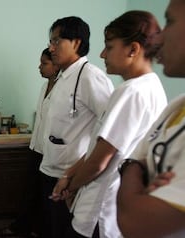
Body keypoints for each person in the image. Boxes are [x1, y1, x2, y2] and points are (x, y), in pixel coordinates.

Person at [51, 11, 167, 238]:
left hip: (100, 207)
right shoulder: (152, 87)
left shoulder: (131, 92)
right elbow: (101, 146)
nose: (102, 54)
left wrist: (71, 187)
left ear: (133, 49)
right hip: (115, 202)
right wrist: (70, 174)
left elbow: (99, 161)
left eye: (109, 46)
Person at [39, 16, 114, 237]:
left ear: (76, 43)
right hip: (51, 168)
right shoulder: (62, 76)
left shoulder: (91, 77)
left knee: (65, 229)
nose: (51, 47)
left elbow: (108, 129)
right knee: (54, 227)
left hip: (71, 177)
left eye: (56, 41)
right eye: (50, 42)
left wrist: (75, 176)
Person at [117, 1, 185, 237]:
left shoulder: (134, 90)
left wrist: (132, 171)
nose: (157, 39)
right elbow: (136, 159)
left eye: (170, 21)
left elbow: (134, 221)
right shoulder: (177, 106)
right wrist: (136, 170)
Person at [0, 48, 60, 238]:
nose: (39, 67)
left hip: (50, 152)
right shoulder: (43, 87)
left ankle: (38, 230)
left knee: (47, 197)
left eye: (44, 63)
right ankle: (21, 226)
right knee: (30, 192)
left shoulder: (63, 90)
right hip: (36, 149)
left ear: (56, 66)